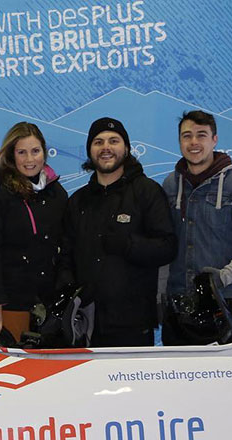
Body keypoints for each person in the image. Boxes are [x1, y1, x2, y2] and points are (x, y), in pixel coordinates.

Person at [57, 117, 177, 347]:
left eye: (114, 141)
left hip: (132, 323)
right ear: (90, 151)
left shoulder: (147, 192)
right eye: (98, 142)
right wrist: (70, 294)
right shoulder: (78, 201)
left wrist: (129, 245)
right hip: (84, 324)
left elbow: (168, 247)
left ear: (127, 148)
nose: (106, 148)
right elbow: (65, 255)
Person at [161, 110, 232, 345]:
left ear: (214, 140)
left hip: (222, 305)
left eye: (201, 135)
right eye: (186, 136)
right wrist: (159, 296)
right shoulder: (171, 185)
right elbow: (164, 244)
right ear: (179, 141)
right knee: (175, 380)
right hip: (177, 307)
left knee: (222, 381)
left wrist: (224, 277)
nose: (194, 142)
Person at [0, 122, 68, 342]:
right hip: (12, 302)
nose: (29, 160)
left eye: (35, 151)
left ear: (44, 153)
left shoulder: (57, 193)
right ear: (11, 155)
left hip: (51, 304)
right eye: (22, 152)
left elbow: (68, 246)